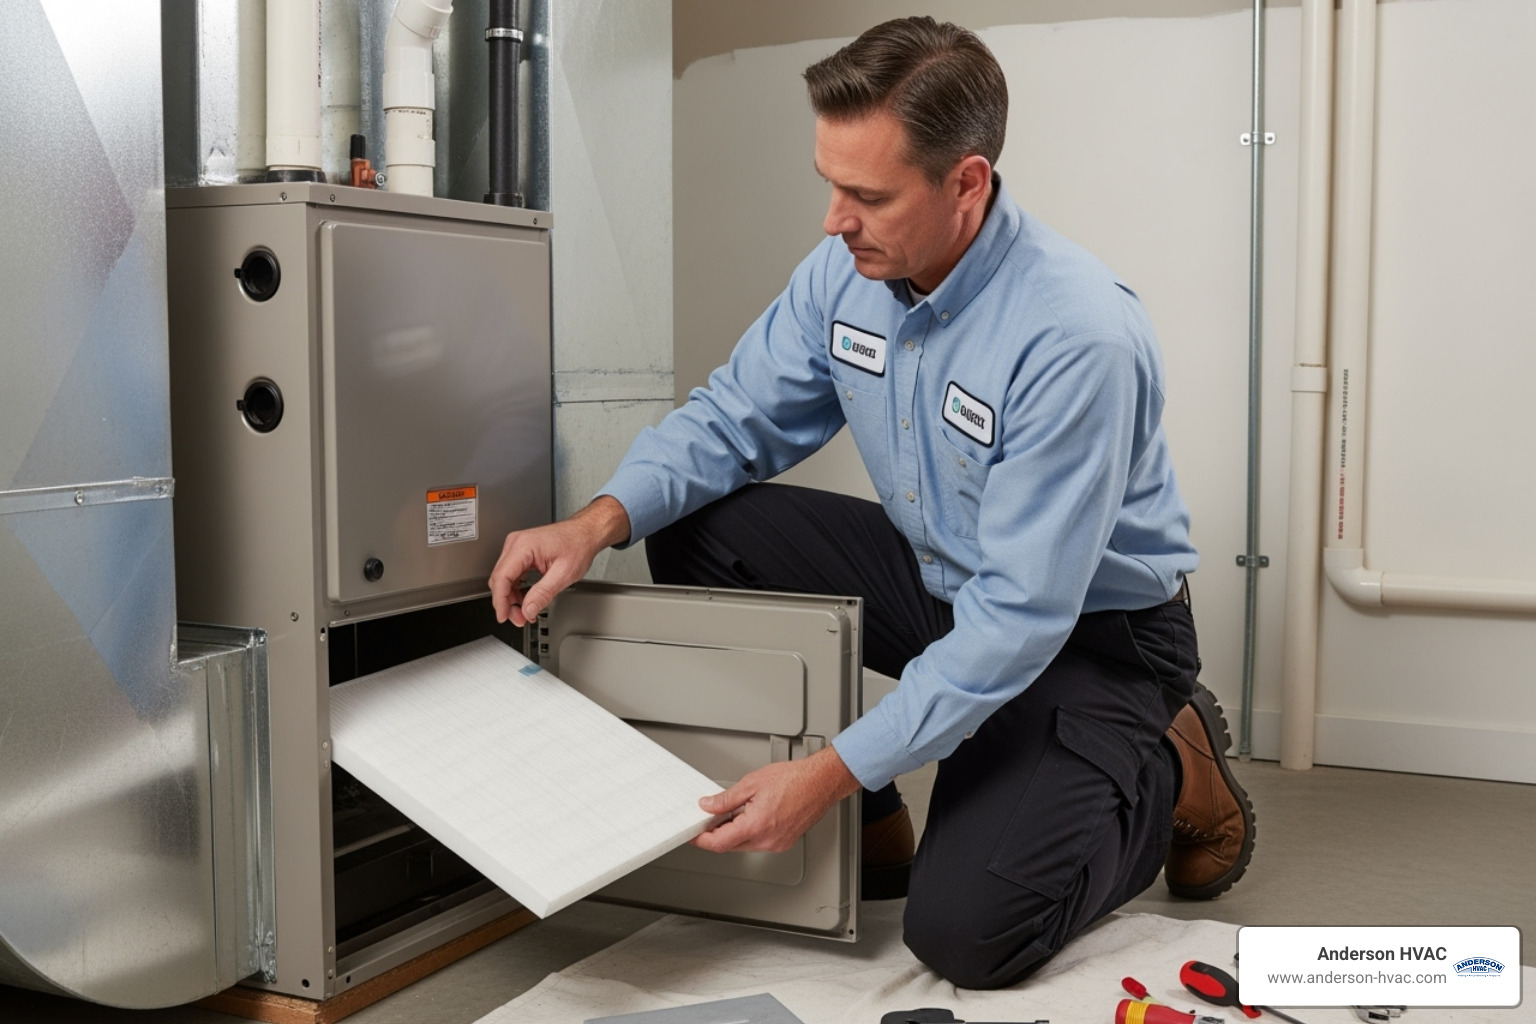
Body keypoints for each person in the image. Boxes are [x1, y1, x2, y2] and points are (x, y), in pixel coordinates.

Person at [488, 16, 1254, 989]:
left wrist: (823, 770)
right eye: (829, 182)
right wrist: (593, 521)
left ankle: (1167, 763)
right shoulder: (845, 275)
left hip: (1087, 640)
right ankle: (874, 818)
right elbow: (733, 420)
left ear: (966, 184)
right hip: (946, 582)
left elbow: (1019, 621)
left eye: (867, 194)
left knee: (967, 934)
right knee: (693, 519)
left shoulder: (1075, 336)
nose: (832, 219)